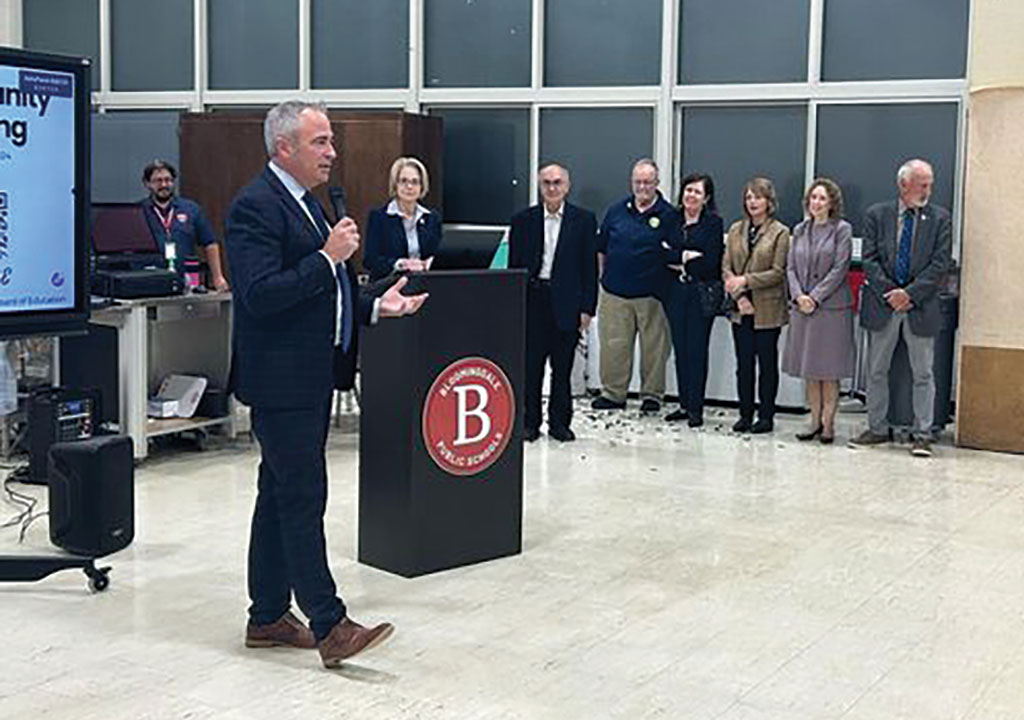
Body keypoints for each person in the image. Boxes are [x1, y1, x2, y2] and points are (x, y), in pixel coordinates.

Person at [225, 100, 427, 668]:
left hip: (312, 375)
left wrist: (377, 307)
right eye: (320, 142)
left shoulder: (308, 205)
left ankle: (266, 616)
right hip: (281, 381)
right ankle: (330, 623)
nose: (332, 153)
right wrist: (326, 255)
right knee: (302, 495)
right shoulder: (254, 208)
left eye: (331, 141)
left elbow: (327, 293)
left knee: (278, 495)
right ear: (283, 147)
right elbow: (261, 294)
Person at [849, 159, 952, 458]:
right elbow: (869, 259)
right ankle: (877, 428)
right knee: (877, 370)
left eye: (930, 184)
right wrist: (891, 293)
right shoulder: (876, 215)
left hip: (920, 306)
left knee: (923, 373)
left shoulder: (940, 218)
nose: (928, 190)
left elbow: (940, 263)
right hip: (884, 305)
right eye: (923, 185)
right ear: (903, 184)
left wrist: (909, 294)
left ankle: (923, 434)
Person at [509, 162, 598, 443]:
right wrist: (516, 305)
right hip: (533, 301)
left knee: (562, 368)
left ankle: (560, 423)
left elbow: (589, 269)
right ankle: (529, 423)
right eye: (546, 182)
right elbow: (514, 268)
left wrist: (587, 309)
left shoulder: (583, 220)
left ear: (567, 186)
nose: (552, 187)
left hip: (566, 304)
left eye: (557, 182)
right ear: (539, 186)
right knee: (531, 368)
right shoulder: (523, 221)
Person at [592, 159, 677, 414]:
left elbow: (675, 253)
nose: (642, 187)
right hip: (615, 293)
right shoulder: (616, 210)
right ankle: (613, 393)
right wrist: (602, 278)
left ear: (657, 183)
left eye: (647, 182)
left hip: (653, 295)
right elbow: (601, 248)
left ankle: (652, 395)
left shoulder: (669, 215)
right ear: (632, 182)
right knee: (613, 347)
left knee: (655, 349)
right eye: (638, 182)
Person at [781, 178, 855, 444]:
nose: (817, 203)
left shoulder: (842, 230)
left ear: (832, 202)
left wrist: (815, 297)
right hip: (803, 309)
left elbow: (840, 268)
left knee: (828, 370)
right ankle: (813, 420)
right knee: (810, 369)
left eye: (822, 198)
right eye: (813, 198)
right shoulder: (800, 230)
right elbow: (789, 267)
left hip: (831, 310)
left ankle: (828, 424)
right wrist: (799, 295)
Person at [722, 177, 791, 434]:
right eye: (749, 197)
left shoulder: (780, 232)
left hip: (767, 308)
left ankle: (766, 416)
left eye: (758, 197)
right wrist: (739, 295)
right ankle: (745, 413)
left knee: (767, 363)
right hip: (740, 308)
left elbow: (777, 272)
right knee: (744, 364)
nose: (752, 202)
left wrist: (746, 281)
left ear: (769, 202)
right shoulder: (736, 229)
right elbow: (726, 266)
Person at [662, 172, 724, 427]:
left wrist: (680, 260)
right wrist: (688, 255)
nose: (691, 196)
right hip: (675, 293)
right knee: (680, 350)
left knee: (697, 350)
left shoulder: (713, 223)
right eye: (688, 190)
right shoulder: (671, 219)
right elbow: (661, 254)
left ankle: (696, 408)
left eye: (697, 192)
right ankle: (684, 403)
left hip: (701, 294)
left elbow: (711, 262)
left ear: (706, 197)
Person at [141, 159, 230, 291]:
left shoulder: (191, 209)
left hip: (186, 282)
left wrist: (218, 277)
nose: (164, 184)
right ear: (147, 184)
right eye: (158, 181)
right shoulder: (138, 212)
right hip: (149, 282)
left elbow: (210, 243)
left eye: (168, 180)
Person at [363, 156, 443, 281]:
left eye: (415, 182)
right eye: (404, 181)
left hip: (425, 284)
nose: (409, 187)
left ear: (422, 187)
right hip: (389, 286)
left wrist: (429, 263)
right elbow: (370, 260)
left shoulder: (432, 218)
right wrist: (401, 264)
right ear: (395, 185)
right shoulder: (379, 217)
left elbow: (440, 255)